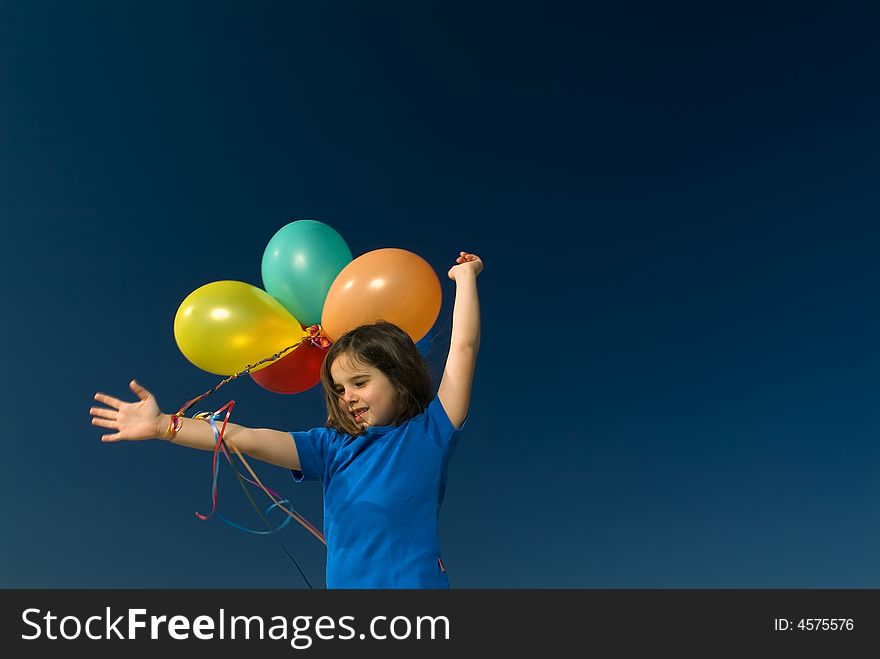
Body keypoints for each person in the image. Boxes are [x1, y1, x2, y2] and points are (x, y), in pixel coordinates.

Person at [90, 251, 483, 588]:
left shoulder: (431, 432)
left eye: (360, 382)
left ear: (396, 376)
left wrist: (465, 278)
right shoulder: (331, 448)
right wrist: (165, 427)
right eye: (339, 389)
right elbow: (246, 437)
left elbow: (462, 349)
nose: (348, 397)